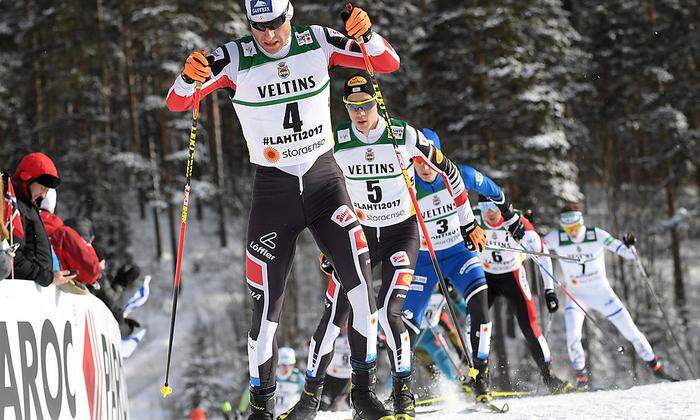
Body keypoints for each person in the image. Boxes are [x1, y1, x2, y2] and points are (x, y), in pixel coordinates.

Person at [166, 3, 400, 418]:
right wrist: (189, 77)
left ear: (289, 16)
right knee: (267, 306)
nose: (269, 35)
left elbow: (386, 62)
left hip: (325, 184)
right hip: (274, 194)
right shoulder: (235, 57)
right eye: (259, 27)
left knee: (362, 285)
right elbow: (178, 102)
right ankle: (261, 408)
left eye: (276, 24)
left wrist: (367, 35)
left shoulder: (319, 41)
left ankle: (363, 395)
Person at [284, 75, 484, 420]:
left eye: (366, 106)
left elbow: (449, 170)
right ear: (346, 108)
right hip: (357, 235)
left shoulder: (402, 135)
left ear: (376, 104)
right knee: (334, 316)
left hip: (399, 233)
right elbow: (319, 191)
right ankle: (308, 401)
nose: (360, 114)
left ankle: (403, 395)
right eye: (353, 107)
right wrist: (328, 238)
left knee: (390, 313)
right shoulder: (337, 140)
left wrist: (468, 221)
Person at [400, 128, 524, 405]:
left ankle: (480, 378)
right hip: (424, 260)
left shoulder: (460, 175)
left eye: (429, 160)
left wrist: (510, 216)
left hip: (459, 253)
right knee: (405, 326)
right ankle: (401, 390)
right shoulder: (406, 185)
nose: (424, 167)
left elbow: (493, 190)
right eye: (417, 161)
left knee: (480, 306)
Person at [543, 203, 677, 389]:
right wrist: (528, 229)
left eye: (575, 228)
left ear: (581, 223)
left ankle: (656, 368)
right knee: (572, 338)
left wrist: (629, 245)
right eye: (568, 228)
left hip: (602, 293)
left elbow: (627, 254)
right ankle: (582, 380)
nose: (572, 233)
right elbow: (533, 246)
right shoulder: (557, 238)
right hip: (576, 296)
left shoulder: (595, 234)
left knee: (631, 332)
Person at [474, 195, 572, 394]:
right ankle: (475, 377)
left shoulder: (519, 224)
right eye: (484, 206)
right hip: (486, 276)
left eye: (493, 206)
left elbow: (543, 256)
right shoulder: (472, 219)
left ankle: (549, 376)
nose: (489, 212)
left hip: (513, 277)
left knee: (529, 327)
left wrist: (549, 291)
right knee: (473, 323)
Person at [10, 153, 75, 287]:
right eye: (42, 188)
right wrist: (47, 277)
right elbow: (14, 258)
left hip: (31, 289)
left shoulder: (28, 205)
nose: (44, 195)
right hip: (18, 292)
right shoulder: (14, 206)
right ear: (26, 178)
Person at [39, 189, 101, 285]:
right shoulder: (62, 233)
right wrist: (87, 245)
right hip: (48, 293)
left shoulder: (16, 219)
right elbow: (91, 271)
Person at [238, 347, 305, 417]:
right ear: (278, 364)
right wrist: (241, 410)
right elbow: (250, 391)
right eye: (284, 365)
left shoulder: (298, 379)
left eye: (290, 365)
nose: (287, 369)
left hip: (289, 416)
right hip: (271, 416)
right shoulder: (270, 376)